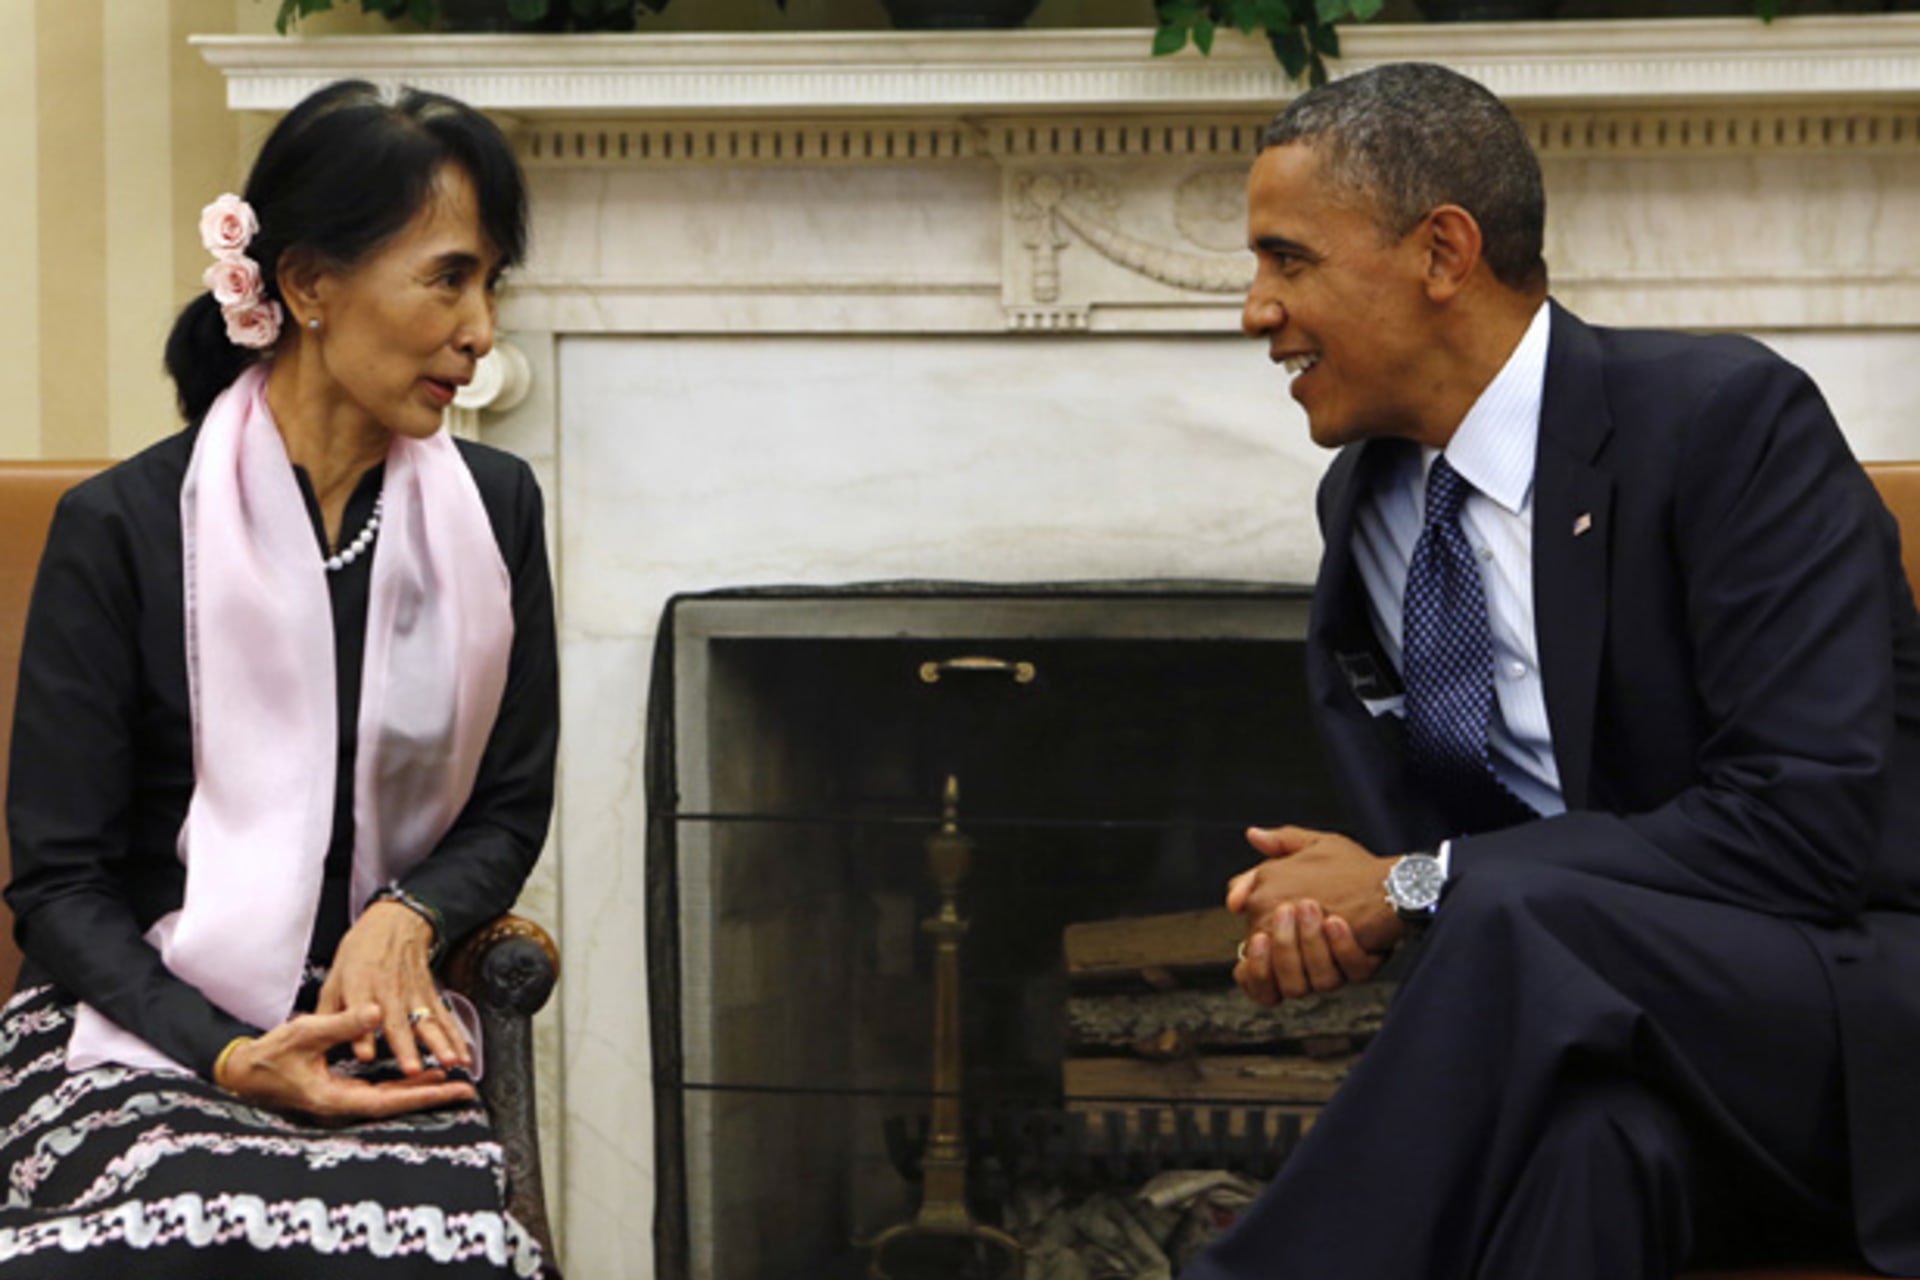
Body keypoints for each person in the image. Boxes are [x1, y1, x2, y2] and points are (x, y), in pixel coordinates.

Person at [1185, 62, 1920, 1280]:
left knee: (1515, 911)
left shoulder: (1729, 422)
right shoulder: (1363, 503)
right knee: (1592, 1150)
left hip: (1844, 1024)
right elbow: (1444, 862)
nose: (1256, 307)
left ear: (1443, 251)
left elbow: (1803, 828)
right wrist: (1347, 908)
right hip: (1614, 1046)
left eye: (1288, 258)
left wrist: (1421, 884)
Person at [0, 80, 557, 1277]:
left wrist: (409, 916)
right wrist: (222, 1051)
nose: (481, 330)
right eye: (448, 277)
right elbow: (57, 882)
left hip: (375, 1022)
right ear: (307, 286)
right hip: (142, 1018)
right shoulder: (126, 526)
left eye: (490, 283)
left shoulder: (497, 512)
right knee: (156, 1233)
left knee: (433, 1255)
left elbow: (509, 801)